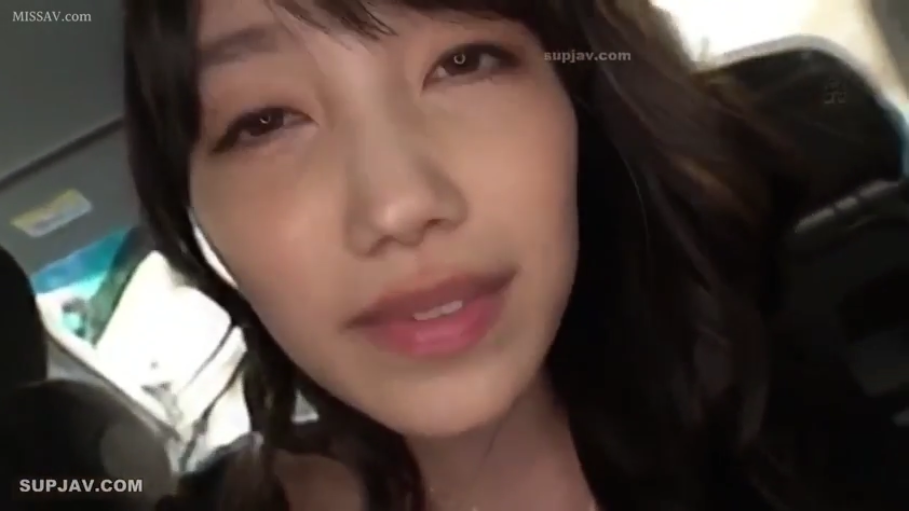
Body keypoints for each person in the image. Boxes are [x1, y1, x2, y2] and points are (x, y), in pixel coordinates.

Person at [122, 0, 907, 510]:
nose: (398, 204)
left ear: (579, 108)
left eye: (464, 62)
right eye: (263, 120)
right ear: (192, 208)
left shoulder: (787, 415)